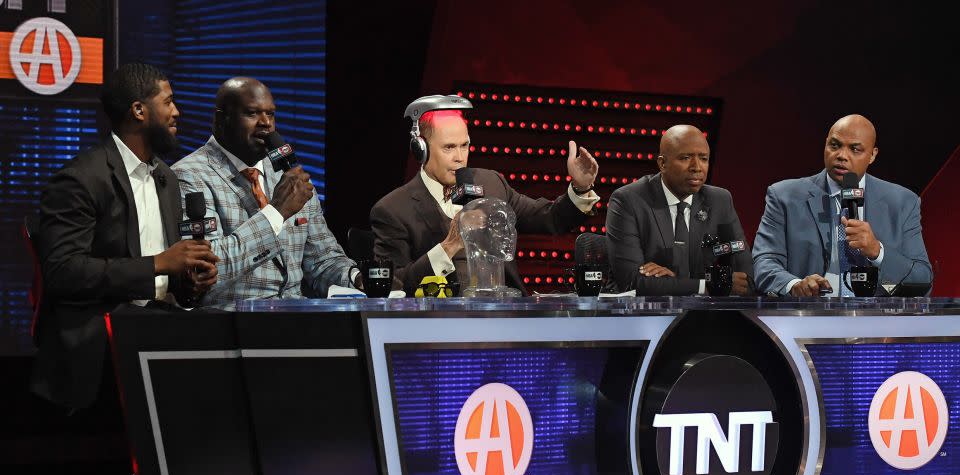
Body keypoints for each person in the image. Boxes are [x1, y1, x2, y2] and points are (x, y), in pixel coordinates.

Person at [34, 63, 218, 410]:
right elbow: (62, 272)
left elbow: (165, 280)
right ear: (139, 110)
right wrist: (158, 264)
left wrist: (190, 281)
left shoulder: (166, 177)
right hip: (101, 338)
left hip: (155, 327)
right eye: (169, 102)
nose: (176, 112)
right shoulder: (81, 178)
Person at [370, 102, 599, 296]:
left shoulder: (491, 183)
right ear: (421, 150)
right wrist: (448, 246)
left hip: (505, 315)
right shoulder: (392, 210)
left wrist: (580, 187)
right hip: (442, 326)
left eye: (464, 146)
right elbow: (393, 287)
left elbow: (550, 219)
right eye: (449, 148)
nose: (460, 158)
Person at [173, 77, 360, 307]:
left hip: (297, 320)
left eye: (270, 114)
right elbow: (210, 270)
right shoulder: (189, 175)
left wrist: (357, 278)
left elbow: (322, 261)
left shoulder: (288, 175)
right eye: (252, 113)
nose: (266, 124)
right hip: (231, 321)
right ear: (221, 119)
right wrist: (276, 212)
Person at [752, 114, 932, 296]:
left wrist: (877, 252)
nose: (841, 156)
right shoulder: (784, 196)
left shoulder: (902, 202)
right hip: (808, 315)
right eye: (835, 145)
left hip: (875, 318)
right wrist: (795, 285)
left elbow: (922, 279)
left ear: (872, 155)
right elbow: (764, 262)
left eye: (855, 149)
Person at [605, 125, 753, 295]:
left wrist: (673, 282)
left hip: (703, 316)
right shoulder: (628, 201)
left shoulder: (720, 201)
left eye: (704, 158)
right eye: (685, 158)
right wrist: (709, 285)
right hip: (645, 315)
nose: (697, 167)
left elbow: (745, 279)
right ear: (662, 163)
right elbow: (632, 282)